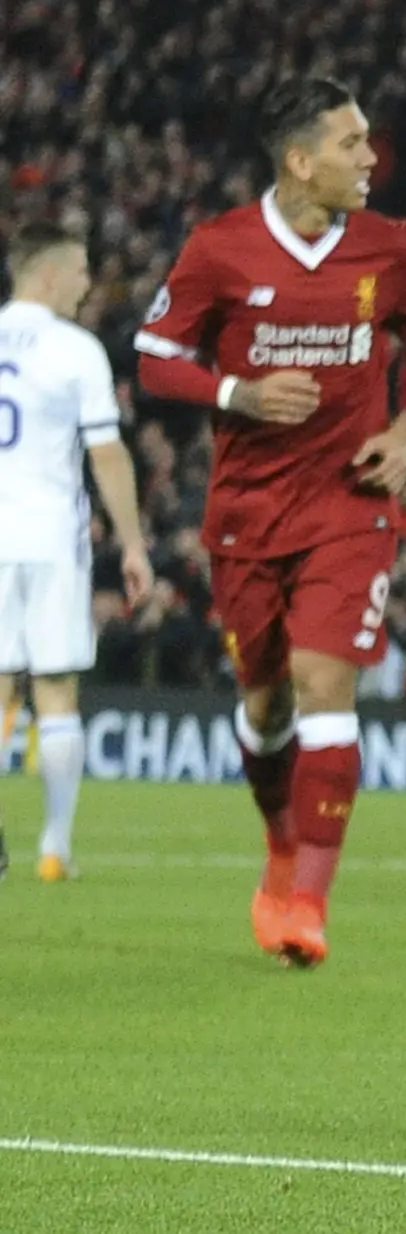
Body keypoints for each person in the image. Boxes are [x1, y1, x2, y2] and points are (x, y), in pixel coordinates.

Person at [134, 75, 406, 967]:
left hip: (350, 505)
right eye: (352, 145)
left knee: (325, 684)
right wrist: (237, 391)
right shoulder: (220, 249)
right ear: (300, 161)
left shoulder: (391, 250)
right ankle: (280, 849)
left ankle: (309, 901)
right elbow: (156, 356)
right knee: (265, 705)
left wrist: (405, 428)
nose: (371, 158)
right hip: (247, 515)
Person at [0, 231, 156, 882]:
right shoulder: (75, 350)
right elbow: (106, 453)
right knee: (56, 689)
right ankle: (55, 848)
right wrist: (134, 542)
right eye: (81, 273)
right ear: (49, 277)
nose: (88, 286)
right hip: (48, 537)